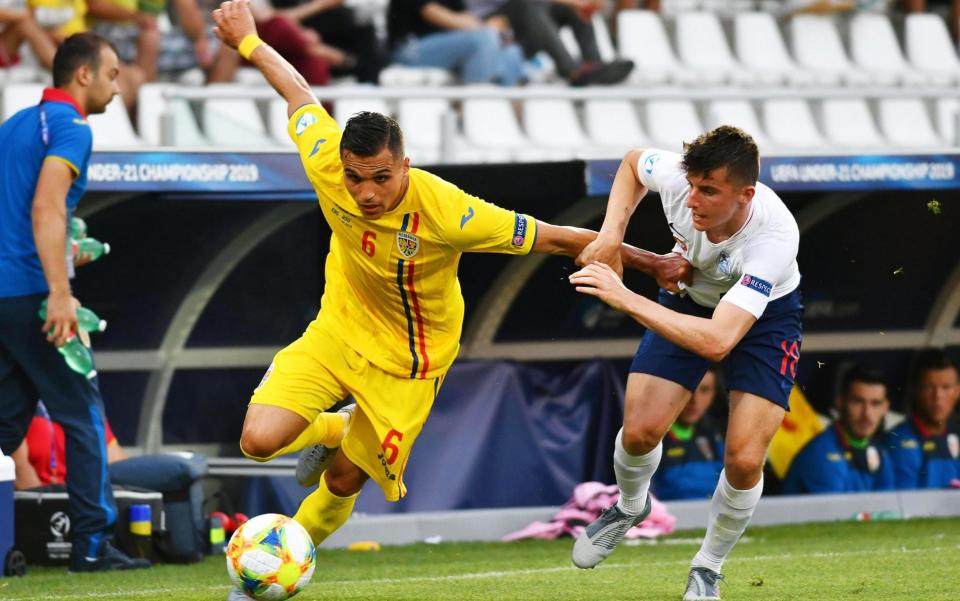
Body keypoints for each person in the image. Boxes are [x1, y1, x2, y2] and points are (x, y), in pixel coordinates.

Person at [209, 1, 690, 597]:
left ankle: (262, 583)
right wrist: (250, 41)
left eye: (380, 178)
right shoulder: (325, 160)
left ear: (404, 166)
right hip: (337, 332)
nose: (365, 192)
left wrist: (650, 262)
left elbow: (560, 238)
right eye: (355, 177)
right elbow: (299, 92)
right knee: (257, 443)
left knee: (342, 481)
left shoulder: (448, 211)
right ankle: (334, 428)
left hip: (411, 364)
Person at [566, 125, 802, 601]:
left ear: (745, 195)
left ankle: (708, 566)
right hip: (690, 299)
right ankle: (631, 506)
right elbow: (633, 161)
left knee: (743, 459)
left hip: (764, 320)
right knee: (638, 432)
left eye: (709, 191)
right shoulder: (680, 180)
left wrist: (624, 296)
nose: (692, 200)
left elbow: (718, 341)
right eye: (692, 186)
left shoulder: (773, 239)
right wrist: (612, 237)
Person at [0, 33, 150, 573]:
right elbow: (45, 209)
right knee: (84, 419)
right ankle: (90, 546)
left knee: (4, 422)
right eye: (112, 74)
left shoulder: (14, 126)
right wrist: (60, 295)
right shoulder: (71, 128)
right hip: (33, 297)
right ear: (83, 75)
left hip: (1, 298)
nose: (117, 86)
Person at [11, 401, 209, 562]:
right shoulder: (19, 402)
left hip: (94, 484)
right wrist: (43, 512)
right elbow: (20, 473)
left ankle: (182, 543)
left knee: (185, 464)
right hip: (61, 496)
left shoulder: (80, 400)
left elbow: (117, 462)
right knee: (183, 466)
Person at [782, 365, 894, 494]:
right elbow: (836, 514)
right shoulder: (821, 454)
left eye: (875, 403)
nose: (867, 414)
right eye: (857, 401)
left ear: (885, 407)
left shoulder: (880, 452)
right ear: (840, 402)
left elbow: (887, 508)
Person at [466, 0, 634, 86]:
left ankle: (594, 65)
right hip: (489, 29)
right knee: (525, 5)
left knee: (573, 10)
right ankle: (572, 71)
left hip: (527, 29)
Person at [387, 0, 527, 85]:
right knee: (484, 38)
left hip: (445, 47)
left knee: (511, 52)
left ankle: (511, 117)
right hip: (409, 49)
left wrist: (491, 29)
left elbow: (466, 17)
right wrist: (486, 28)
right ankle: (477, 109)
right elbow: (435, 14)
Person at [884, 349, 960, 489]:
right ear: (915, 390)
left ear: (957, 391)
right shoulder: (899, 441)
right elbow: (906, 504)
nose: (937, 397)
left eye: (946, 387)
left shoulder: (956, 433)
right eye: (929, 388)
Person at [651, 367, 725, 501]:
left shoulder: (716, 437)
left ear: (714, 394)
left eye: (704, 390)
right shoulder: (650, 438)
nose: (694, 400)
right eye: (688, 390)